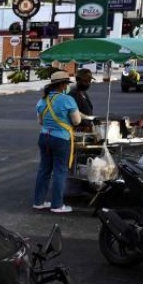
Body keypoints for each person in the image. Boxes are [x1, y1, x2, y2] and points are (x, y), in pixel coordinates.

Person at [33, 71, 83, 214]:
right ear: (62, 85)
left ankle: (38, 202)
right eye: (66, 84)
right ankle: (57, 205)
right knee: (60, 171)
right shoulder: (67, 100)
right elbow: (76, 121)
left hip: (44, 137)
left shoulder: (42, 100)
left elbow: (40, 121)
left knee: (44, 169)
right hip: (61, 138)